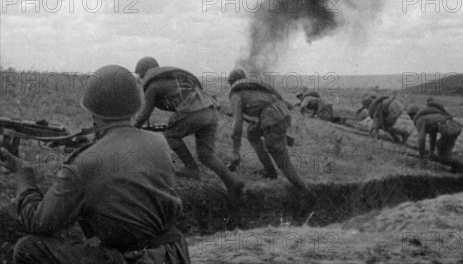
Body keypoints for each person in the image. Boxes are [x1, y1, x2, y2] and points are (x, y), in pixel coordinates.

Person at [1, 64, 190, 264]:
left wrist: (23, 174)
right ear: (135, 105)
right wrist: (91, 146)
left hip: (133, 259)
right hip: (173, 254)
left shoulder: (85, 164)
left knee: (28, 248)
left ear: (92, 109)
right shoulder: (158, 142)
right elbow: (120, 153)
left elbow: (38, 221)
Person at [132, 57, 244, 196]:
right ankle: (232, 182)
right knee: (206, 155)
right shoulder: (176, 78)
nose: (142, 78)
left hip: (195, 110)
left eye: (141, 75)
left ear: (146, 72)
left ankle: (191, 168)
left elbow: (144, 113)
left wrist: (132, 128)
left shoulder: (153, 85)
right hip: (210, 109)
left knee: (171, 134)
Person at [227, 69, 316, 204]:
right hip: (278, 115)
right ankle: (270, 171)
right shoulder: (255, 88)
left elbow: (237, 126)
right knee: (252, 133)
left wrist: (235, 153)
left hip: (273, 119)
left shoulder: (237, 95)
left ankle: (307, 193)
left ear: (231, 83)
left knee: (281, 159)